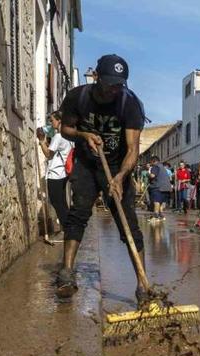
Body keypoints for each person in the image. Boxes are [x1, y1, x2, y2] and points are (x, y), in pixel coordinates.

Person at [54, 54, 146, 301]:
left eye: (119, 84)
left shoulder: (129, 104)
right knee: (79, 212)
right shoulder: (78, 97)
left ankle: (142, 285)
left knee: (128, 221)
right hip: (86, 162)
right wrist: (84, 135)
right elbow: (65, 129)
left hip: (118, 166)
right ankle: (67, 273)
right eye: (110, 83)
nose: (114, 89)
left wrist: (120, 177)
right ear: (97, 77)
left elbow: (133, 149)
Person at [36, 111, 73, 229]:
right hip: (64, 173)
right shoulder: (69, 136)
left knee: (57, 203)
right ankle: (69, 227)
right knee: (62, 202)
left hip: (56, 174)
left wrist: (41, 140)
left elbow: (48, 154)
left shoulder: (58, 136)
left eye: (52, 120)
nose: (51, 123)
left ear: (59, 121)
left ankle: (68, 229)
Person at [148, 156, 170, 222]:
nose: (150, 164)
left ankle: (156, 216)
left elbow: (153, 175)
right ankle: (161, 216)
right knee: (161, 202)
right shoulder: (162, 167)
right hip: (166, 188)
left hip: (158, 187)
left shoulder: (155, 166)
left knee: (156, 201)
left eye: (151, 162)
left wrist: (148, 174)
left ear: (153, 161)